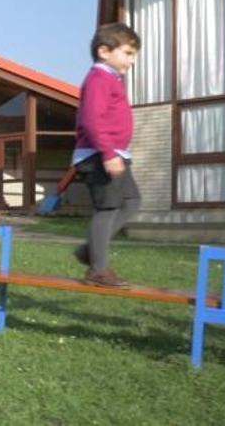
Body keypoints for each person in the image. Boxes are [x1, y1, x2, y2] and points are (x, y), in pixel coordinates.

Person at [72, 22, 141, 289]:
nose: (132, 61)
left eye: (134, 55)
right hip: (100, 155)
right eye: (128, 53)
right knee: (107, 208)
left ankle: (91, 249)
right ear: (104, 51)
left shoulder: (112, 79)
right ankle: (98, 270)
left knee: (132, 201)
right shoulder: (99, 79)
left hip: (115, 154)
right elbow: (91, 120)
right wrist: (108, 153)